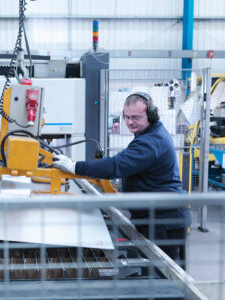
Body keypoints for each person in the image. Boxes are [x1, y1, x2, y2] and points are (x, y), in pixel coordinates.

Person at [53, 92, 191, 267]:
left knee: (167, 275)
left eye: (136, 117)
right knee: (159, 272)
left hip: (164, 220)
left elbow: (115, 166)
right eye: (127, 117)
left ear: (151, 115)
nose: (130, 122)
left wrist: (74, 167)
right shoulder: (150, 134)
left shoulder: (150, 142)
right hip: (158, 216)